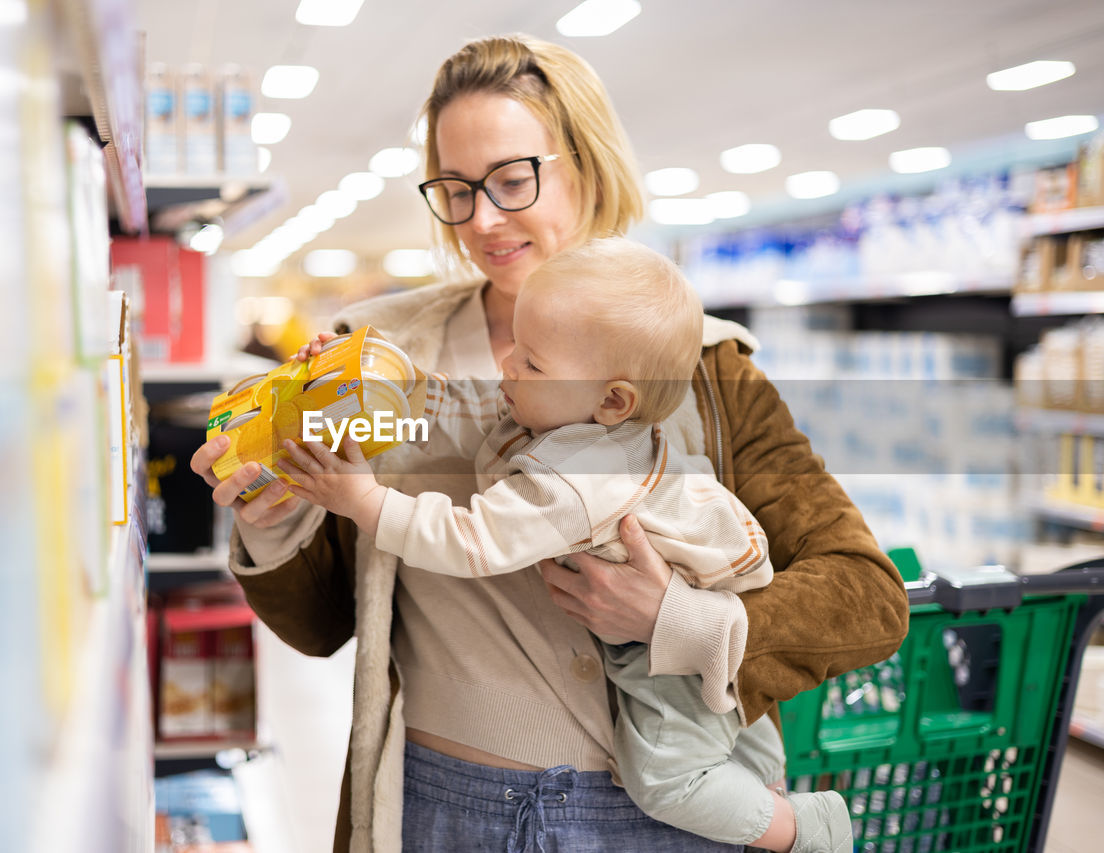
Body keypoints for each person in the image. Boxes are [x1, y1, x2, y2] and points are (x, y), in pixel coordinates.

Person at [191, 33, 908, 853]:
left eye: (511, 179)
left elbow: (866, 596)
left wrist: (680, 617)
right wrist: (277, 511)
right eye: (455, 190)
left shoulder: (703, 364)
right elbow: (324, 622)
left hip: (661, 818)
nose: (483, 220)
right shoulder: (380, 354)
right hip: (441, 808)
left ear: (586, 163)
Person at [276, 238, 853, 852]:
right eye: (514, 350)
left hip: (675, 668)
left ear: (612, 400)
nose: (508, 368)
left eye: (530, 364)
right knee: (748, 747)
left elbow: (471, 541)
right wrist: (394, 378)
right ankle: (765, 786)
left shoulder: (575, 480)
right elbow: (468, 404)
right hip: (717, 630)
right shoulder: (574, 416)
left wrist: (366, 502)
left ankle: (810, 830)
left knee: (668, 777)